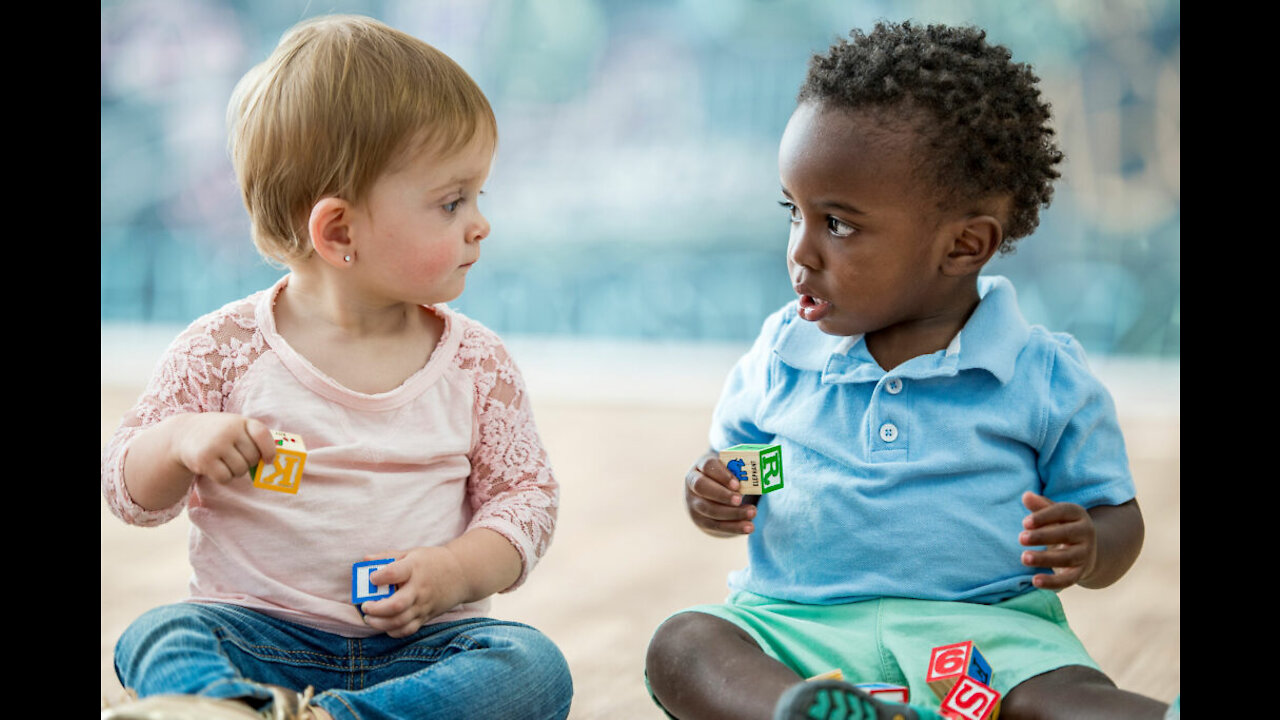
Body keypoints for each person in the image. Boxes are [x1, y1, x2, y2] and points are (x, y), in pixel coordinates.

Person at [645, 21, 1174, 720]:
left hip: (980, 637)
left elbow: (1116, 518)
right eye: (792, 212)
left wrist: (1090, 544)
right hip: (799, 632)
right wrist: (714, 490)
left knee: (1057, 695)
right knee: (685, 643)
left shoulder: (1040, 377)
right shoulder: (782, 357)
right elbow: (753, 464)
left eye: (836, 224)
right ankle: (803, 711)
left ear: (963, 245)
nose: (800, 252)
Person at [101, 15, 572, 720]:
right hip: (258, 632)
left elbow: (527, 499)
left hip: (423, 646)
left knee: (532, 667)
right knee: (156, 634)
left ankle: (312, 718)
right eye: (451, 202)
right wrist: (177, 442)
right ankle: (240, 703)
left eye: (479, 197)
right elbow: (128, 493)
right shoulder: (222, 348)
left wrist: (455, 572)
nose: (481, 223)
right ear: (340, 231)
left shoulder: (475, 363)